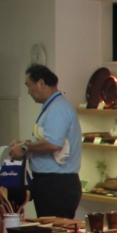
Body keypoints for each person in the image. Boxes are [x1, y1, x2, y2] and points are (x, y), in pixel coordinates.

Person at [13, 63, 82, 218]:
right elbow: (48, 139)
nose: (28, 92)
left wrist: (25, 147)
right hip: (51, 183)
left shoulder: (58, 108)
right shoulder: (53, 106)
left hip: (56, 184)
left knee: (53, 229)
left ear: (41, 83)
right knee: (47, 227)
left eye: (28, 86)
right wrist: (24, 143)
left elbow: (53, 144)